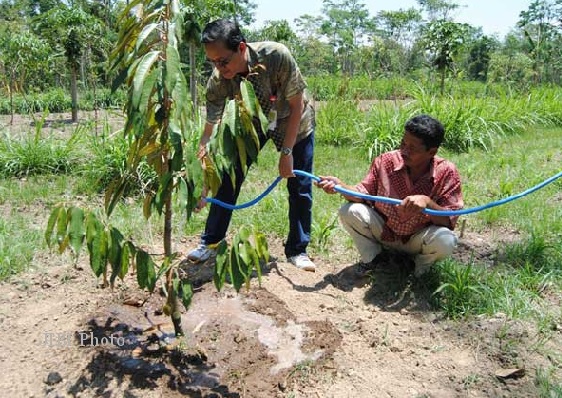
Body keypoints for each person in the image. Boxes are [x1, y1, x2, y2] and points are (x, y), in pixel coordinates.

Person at [187, 19, 316, 272]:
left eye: (223, 61)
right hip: (252, 124)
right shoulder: (218, 81)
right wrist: (202, 179)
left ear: (242, 48)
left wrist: (287, 153)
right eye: (212, 62)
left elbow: (296, 103)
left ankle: (298, 249)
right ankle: (210, 242)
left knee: (299, 184)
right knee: (228, 176)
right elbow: (209, 133)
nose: (219, 67)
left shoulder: (276, 56)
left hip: (293, 121)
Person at [316, 114, 463, 277]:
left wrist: (427, 203)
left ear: (432, 152)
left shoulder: (447, 172)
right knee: (350, 211)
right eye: (403, 143)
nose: (404, 151)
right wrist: (340, 186)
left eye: (413, 148)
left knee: (446, 240)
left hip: (419, 239)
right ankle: (374, 260)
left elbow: (449, 220)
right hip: (385, 232)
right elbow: (364, 193)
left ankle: (421, 272)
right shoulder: (386, 161)